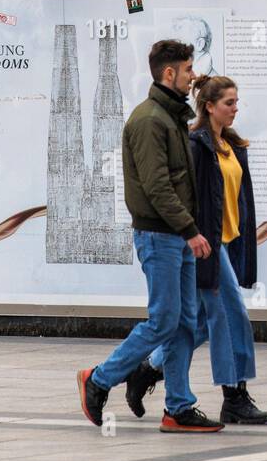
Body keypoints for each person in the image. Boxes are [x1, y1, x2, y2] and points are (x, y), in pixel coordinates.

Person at [76, 40, 224, 433]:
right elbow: (157, 188)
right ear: (168, 73)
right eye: (188, 69)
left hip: (175, 236)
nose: (193, 75)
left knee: (184, 324)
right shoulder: (148, 120)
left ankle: (177, 407)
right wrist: (189, 230)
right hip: (160, 237)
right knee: (163, 322)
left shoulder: (171, 116)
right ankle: (99, 378)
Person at [125, 74, 267, 425]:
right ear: (209, 106)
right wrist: (190, 237)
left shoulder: (231, 144)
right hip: (203, 243)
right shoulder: (195, 144)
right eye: (228, 103)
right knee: (232, 314)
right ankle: (234, 395)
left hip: (225, 241)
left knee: (198, 324)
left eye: (237, 102)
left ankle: (148, 368)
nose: (235, 109)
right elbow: (183, 196)